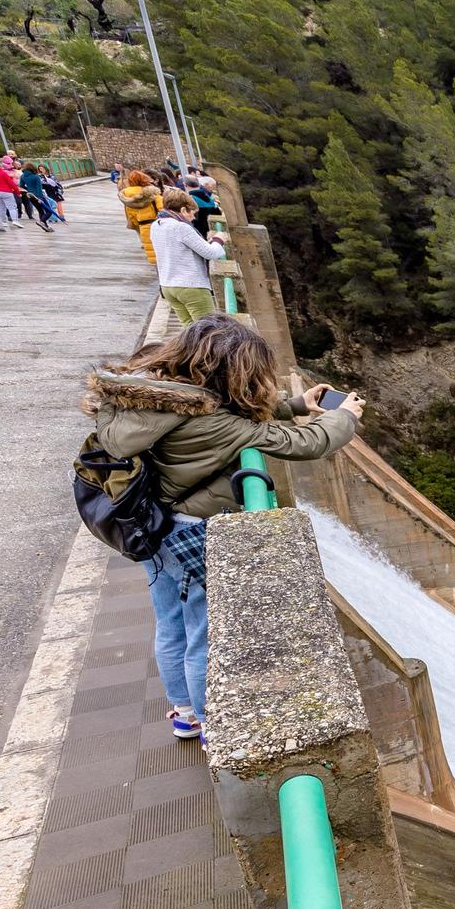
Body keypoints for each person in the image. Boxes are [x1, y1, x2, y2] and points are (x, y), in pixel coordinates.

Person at [82, 316, 364, 741]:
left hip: (150, 523)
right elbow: (305, 443)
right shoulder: (212, 422)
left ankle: (182, 712)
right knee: (203, 631)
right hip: (189, 529)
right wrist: (345, 417)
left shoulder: (157, 396)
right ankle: (213, 724)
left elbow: (231, 420)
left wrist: (296, 405)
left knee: (170, 622)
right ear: (233, 373)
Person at [150, 192, 227, 324]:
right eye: (192, 213)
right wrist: (219, 240)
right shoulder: (181, 227)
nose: (193, 218)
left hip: (168, 286)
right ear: (183, 209)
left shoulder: (156, 225)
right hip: (190, 286)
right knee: (208, 329)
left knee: (189, 329)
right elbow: (211, 253)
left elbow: (179, 248)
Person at [120, 170, 161, 263]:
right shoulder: (151, 192)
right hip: (156, 223)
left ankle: (156, 267)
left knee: (150, 251)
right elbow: (161, 208)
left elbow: (129, 214)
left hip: (142, 225)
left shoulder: (126, 195)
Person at [17, 161, 55, 231]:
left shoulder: (22, 176)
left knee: (40, 211)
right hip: (38, 195)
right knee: (49, 211)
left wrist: (28, 190)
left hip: (30, 195)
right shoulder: (36, 176)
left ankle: (45, 227)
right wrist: (40, 198)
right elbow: (39, 188)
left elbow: (21, 186)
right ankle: (42, 221)